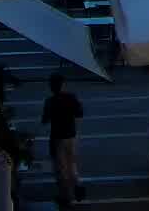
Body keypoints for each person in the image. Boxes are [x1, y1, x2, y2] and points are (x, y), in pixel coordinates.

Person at [41, 73, 85, 204]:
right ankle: (77, 186)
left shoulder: (50, 101)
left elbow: (44, 120)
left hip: (57, 137)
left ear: (52, 86)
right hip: (71, 135)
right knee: (71, 163)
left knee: (61, 168)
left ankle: (65, 196)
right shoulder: (71, 97)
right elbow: (79, 113)